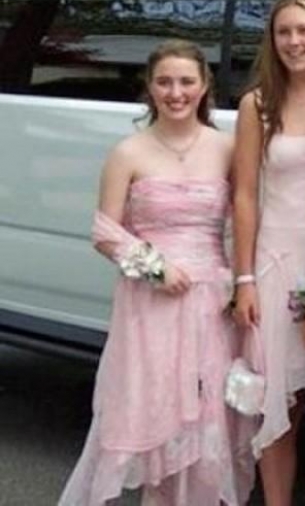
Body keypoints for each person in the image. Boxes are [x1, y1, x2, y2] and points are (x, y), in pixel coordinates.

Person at [58, 40, 255, 506]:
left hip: (210, 303)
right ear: (149, 87)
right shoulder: (128, 152)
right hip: (150, 305)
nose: (176, 92)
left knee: (207, 413)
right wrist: (155, 268)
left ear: (204, 86)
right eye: (164, 82)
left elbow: (246, 216)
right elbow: (105, 232)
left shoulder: (227, 147)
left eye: (186, 81)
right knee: (155, 407)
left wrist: (241, 281)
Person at [231, 0, 305, 506]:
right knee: (276, 398)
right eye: (284, 31)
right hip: (276, 263)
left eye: (304, 30)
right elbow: (244, 195)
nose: (294, 41)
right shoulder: (258, 104)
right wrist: (243, 279)